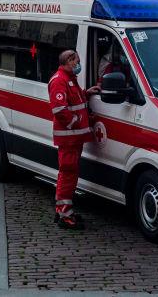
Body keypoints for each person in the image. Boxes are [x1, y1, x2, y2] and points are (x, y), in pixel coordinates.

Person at [48, 49, 99, 229]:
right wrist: (76, 121)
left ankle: (62, 210)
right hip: (68, 139)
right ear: (69, 61)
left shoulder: (69, 79)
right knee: (68, 174)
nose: (78, 64)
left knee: (69, 174)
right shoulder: (59, 80)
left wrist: (87, 94)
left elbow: (74, 100)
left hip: (73, 138)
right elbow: (60, 110)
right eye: (76, 61)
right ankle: (65, 215)